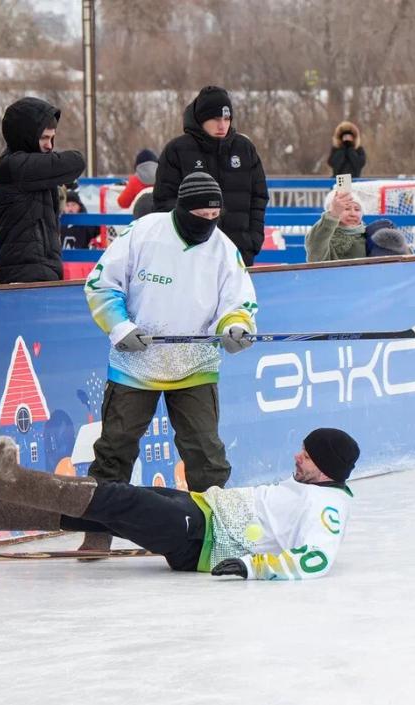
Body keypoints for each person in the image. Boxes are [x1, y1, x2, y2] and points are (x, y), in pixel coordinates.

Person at [80, 171, 258, 552]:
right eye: (201, 217)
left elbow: (238, 302)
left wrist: (236, 327)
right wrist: (120, 327)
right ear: (183, 209)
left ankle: (217, 531)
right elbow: (101, 284)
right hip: (135, 364)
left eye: (215, 218)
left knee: (206, 455)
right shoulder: (144, 233)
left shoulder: (224, 249)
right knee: (114, 449)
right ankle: (97, 531)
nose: (208, 225)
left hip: (195, 364)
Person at [0, 427, 359, 579]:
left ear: (324, 466)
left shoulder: (327, 509)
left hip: (203, 537)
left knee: (116, 497)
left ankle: (12, 480)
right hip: (201, 510)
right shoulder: (310, 487)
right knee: (101, 512)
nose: (296, 457)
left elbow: (315, 559)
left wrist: (253, 568)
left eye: (305, 455)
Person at [153, 86, 269, 266]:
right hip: (190, 255)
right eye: (215, 119)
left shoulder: (245, 149)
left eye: (227, 118)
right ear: (201, 119)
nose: (222, 125)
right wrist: (183, 240)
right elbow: (164, 202)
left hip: (238, 253)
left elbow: (259, 197)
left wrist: (252, 241)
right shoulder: (176, 151)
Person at [0, 97, 86, 284]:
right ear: (26, 135)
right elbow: (76, 161)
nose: (50, 145)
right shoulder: (13, 165)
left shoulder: (29, 165)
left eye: (52, 138)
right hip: (21, 274)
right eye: (44, 138)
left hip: (41, 271)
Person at [305, 188, 367, 262]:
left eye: (357, 209)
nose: (353, 214)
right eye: (347, 209)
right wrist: (333, 214)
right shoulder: (324, 237)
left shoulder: (370, 234)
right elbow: (315, 247)